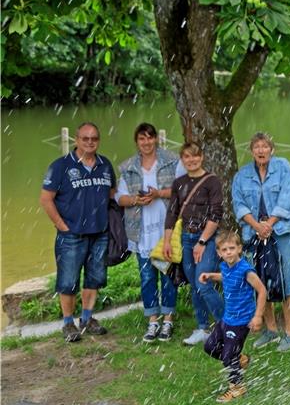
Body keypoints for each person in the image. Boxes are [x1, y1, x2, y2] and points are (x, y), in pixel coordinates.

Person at [40, 122, 117, 342]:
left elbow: (112, 193)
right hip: (71, 235)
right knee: (68, 281)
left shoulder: (105, 165)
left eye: (94, 139)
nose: (90, 142)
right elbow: (46, 199)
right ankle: (67, 323)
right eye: (85, 138)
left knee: (94, 278)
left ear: (98, 141)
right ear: (76, 140)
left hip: (99, 233)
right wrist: (62, 225)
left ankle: (87, 318)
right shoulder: (60, 166)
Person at [232, 132, 290, 352]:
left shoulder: (283, 167)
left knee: (285, 282)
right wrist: (257, 226)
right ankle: (270, 330)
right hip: (255, 235)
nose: (261, 151)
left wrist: (269, 224)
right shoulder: (242, 176)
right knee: (261, 282)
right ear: (251, 151)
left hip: (281, 233)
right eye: (257, 147)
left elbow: (289, 198)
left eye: (265, 146)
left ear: (272, 149)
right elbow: (239, 204)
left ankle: (289, 334)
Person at [116, 123, 183, 342]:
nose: (146, 143)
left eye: (150, 138)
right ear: (137, 142)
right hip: (141, 229)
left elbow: (183, 189)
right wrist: (137, 199)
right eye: (142, 139)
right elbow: (120, 198)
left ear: (156, 139)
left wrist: (158, 194)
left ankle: (168, 319)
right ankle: (152, 320)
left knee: (167, 274)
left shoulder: (172, 160)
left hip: (166, 226)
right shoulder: (128, 166)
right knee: (147, 277)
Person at [163, 141, 225, 345]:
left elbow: (216, 215)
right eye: (187, 156)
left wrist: (202, 241)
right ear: (182, 159)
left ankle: (228, 324)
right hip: (185, 239)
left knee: (203, 281)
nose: (191, 160)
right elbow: (172, 214)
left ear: (202, 157)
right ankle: (202, 328)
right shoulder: (179, 182)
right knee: (194, 286)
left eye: (195, 156)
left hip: (206, 239)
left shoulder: (212, 181)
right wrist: (167, 242)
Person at [198, 229, 267, 403]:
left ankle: (237, 388)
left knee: (228, 356)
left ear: (239, 249)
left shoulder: (246, 271)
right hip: (227, 318)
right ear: (219, 253)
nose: (228, 252)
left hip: (241, 321)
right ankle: (240, 360)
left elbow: (262, 290)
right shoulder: (225, 267)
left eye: (232, 248)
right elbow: (227, 277)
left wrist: (258, 316)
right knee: (210, 347)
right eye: (224, 249)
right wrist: (212, 276)